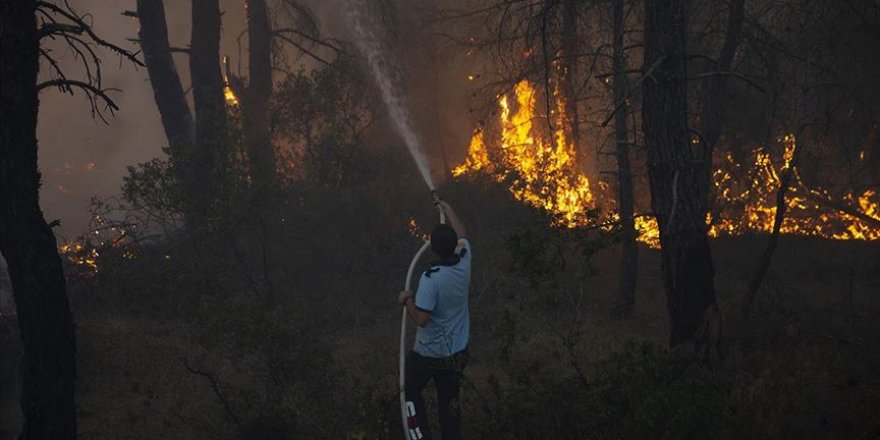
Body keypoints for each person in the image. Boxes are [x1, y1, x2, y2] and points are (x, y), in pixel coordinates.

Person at [398, 200, 471, 440]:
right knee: (449, 407)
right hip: (457, 353)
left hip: (429, 355)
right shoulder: (464, 258)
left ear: (433, 249)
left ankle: (419, 436)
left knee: (409, 390)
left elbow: (422, 320)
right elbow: (463, 234)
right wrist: (448, 209)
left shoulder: (431, 280)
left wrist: (406, 300)